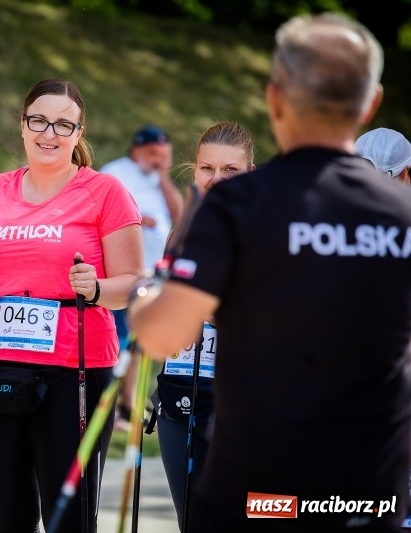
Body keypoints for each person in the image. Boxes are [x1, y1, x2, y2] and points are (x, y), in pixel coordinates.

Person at [128, 13, 410, 532]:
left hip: (261, 484)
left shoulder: (238, 205)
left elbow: (164, 332)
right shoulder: (402, 213)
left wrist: (148, 293)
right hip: (369, 490)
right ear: (370, 104)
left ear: (275, 98)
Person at [0, 78, 144, 532]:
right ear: (22, 125)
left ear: (78, 132)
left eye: (62, 124)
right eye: (39, 121)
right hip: (0, 365)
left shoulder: (104, 191)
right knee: (6, 513)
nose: (48, 134)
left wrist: (93, 288)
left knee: (67, 514)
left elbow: (134, 285)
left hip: (75, 367)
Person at [145, 121, 255, 531]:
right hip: (178, 391)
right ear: (194, 171)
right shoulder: (183, 230)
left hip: (237, 401)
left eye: (231, 170)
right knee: (191, 522)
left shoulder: (263, 231)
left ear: (250, 172)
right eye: (207, 168)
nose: (216, 179)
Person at [99, 125, 183, 429]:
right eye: (152, 153)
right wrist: (136, 218)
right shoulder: (117, 173)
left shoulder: (156, 179)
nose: (158, 158)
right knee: (122, 342)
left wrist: (162, 176)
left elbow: (180, 215)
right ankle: (114, 406)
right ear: (136, 150)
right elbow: (102, 213)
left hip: (153, 276)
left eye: (164, 154)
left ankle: (128, 403)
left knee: (140, 343)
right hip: (124, 276)